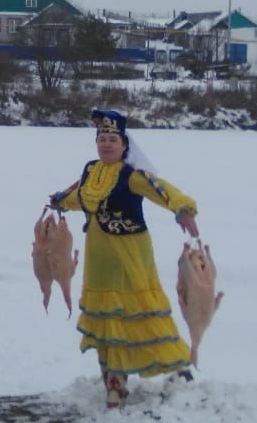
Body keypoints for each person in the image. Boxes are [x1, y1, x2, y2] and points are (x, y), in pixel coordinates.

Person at [49, 110, 199, 409]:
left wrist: (183, 209)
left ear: (124, 145)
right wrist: (59, 202)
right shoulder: (91, 171)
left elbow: (163, 190)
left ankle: (178, 365)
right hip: (99, 257)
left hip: (130, 253)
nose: (106, 144)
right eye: (102, 139)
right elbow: (80, 195)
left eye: (112, 139)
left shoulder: (132, 176)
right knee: (107, 317)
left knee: (140, 310)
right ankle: (114, 382)